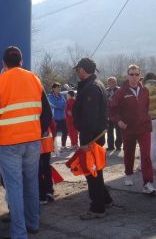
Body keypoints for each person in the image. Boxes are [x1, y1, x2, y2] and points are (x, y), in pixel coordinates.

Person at [0, 46, 52, 239]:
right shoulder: (35, 79)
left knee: (14, 187)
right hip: (32, 141)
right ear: (21, 61)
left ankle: (19, 232)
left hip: (8, 143)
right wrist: (38, 132)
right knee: (31, 183)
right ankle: (33, 223)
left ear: (4, 63)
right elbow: (47, 114)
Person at [72, 57, 113, 219]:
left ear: (82, 70)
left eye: (78, 70)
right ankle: (106, 199)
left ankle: (97, 208)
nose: (77, 72)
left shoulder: (91, 88)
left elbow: (90, 118)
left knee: (92, 172)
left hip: (92, 137)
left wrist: (86, 143)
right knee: (96, 170)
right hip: (96, 134)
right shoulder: (96, 84)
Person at [110, 64, 156, 194]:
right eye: (131, 74)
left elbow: (146, 107)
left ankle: (148, 183)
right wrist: (119, 121)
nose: (134, 77)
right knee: (129, 153)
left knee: (146, 156)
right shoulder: (121, 92)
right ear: (127, 76)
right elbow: (112, 109)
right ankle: (128, 174)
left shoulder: (144, 90)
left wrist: (147, 118)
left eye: (137, 74)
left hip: (144, 128)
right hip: (128, 129)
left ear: (140, 76)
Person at [39, 120, 56, 205]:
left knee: (37, 170)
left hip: (35, 143)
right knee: (46, 168)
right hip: (46, 142)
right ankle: (49, 191)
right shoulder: (45, 107)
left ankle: (42, 196)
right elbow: (52, 124)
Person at [48, 83, 68, 150]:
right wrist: (61, 105)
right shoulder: (50, 96)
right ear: (53, 88)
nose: (59, 89)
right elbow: (54, 104)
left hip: (63, 117)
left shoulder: (61, 96)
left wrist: (61, 106)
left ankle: (63, 146)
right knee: (54, 133)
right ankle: (51, 147)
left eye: (59, 87)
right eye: (57, 87)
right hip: (55, 118)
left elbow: (65, 104)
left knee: (65, 131)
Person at [106, 76, 122, 151]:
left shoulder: (120, 90)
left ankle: (118, 146)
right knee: (109, 131)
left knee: (119, 131)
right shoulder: (105, 91)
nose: (112, 84)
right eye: (110, 82)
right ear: (108, 83)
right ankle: (110, 146)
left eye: (113, 82)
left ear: (116, 82)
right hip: (109, 114)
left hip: (118, 114)